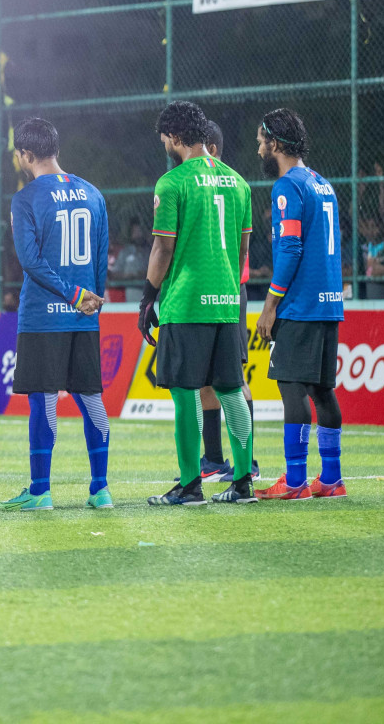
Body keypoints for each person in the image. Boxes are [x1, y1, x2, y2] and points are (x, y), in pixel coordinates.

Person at [140, 101, 256, 507]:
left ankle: (190, 487)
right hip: (227, 302)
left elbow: (162, 248)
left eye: (165, 140)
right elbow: (243, 250)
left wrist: (148, 297)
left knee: (185, 393)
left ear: (174, 136)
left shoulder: (172, 183)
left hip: (186, 304)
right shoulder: (239, 183)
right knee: (230, 391)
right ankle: (243, 484)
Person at [0, 118, 113, 511]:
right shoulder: (93, 193)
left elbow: (29, 262)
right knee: (91, 398)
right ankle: (101, 490)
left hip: (43, 316)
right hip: (84, 316)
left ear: (25, 155)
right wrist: (90, 299)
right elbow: (101, 255)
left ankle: (40, 491)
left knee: (44, 399)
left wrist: (72, 293)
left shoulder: (26, 198)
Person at [252, 109, 347, 501]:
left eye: (261, 141)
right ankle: (331, 478)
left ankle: (294, 482)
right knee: (322, 390)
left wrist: (270, 304)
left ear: (275, 144)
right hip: (329, 302)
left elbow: (289, 249)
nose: (258, 148)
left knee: (291, 386)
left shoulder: (286, 187)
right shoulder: (323, 184)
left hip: (301, 305)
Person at [198, 119, 258, 483]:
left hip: (230, 291)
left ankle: (247, 462)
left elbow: (242, 246)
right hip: (205, 293)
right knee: (206, 380)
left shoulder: (234, 185)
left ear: (213, 149)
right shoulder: (199, 185)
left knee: (232, 378)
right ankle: (214, 459)